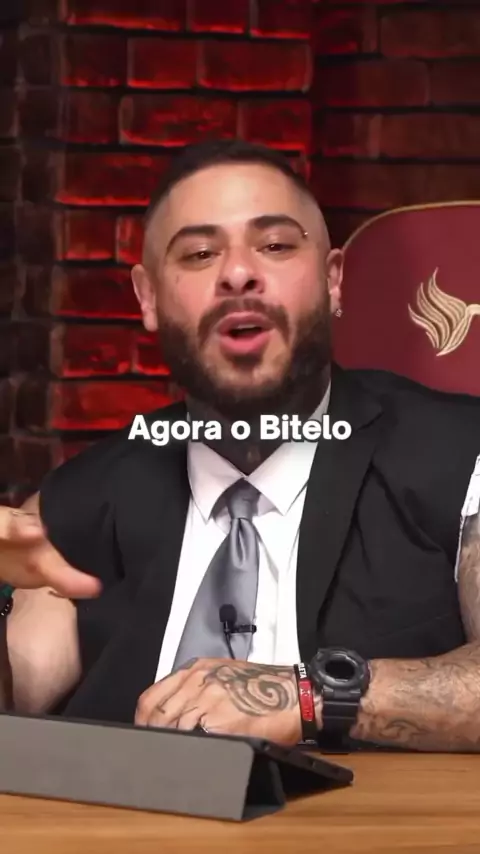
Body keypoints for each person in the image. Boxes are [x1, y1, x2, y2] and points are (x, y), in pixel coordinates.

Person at [1, 139, 480, 753]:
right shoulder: (85, 497)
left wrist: (307, 696)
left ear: (333, 280)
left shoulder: (459, 457)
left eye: (275, 245)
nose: (236, 273)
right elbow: (17, 701)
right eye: (199, 253)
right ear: (148, 299)